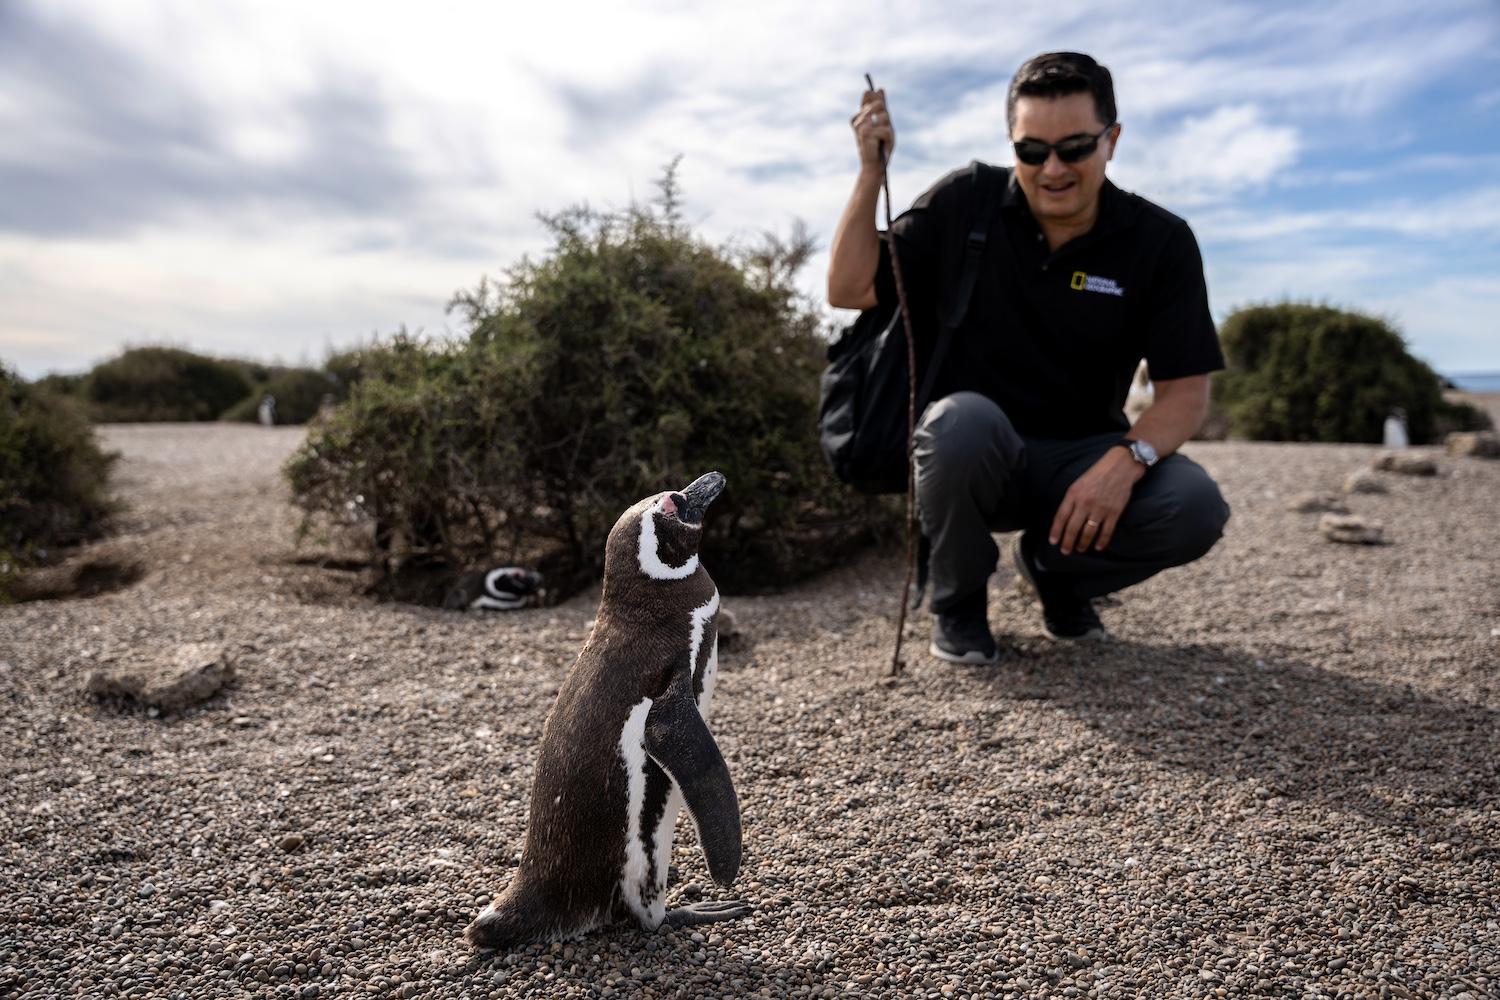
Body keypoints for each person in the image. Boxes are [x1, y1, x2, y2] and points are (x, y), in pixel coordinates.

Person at [827, 51, 1230, 664]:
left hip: (1085, 455)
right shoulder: (965, 200)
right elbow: (849, 289)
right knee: (960, 423)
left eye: (1074, 147)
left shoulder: (1160, 241)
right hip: (970, 454)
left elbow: (1184, 393)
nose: (1053, 169)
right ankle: (956, 603)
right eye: (1032, 150)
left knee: (1194, 505)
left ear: (1112, 140)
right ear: (1011, 144)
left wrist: (1124, 464)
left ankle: (1056, 573)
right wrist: (868, 173)